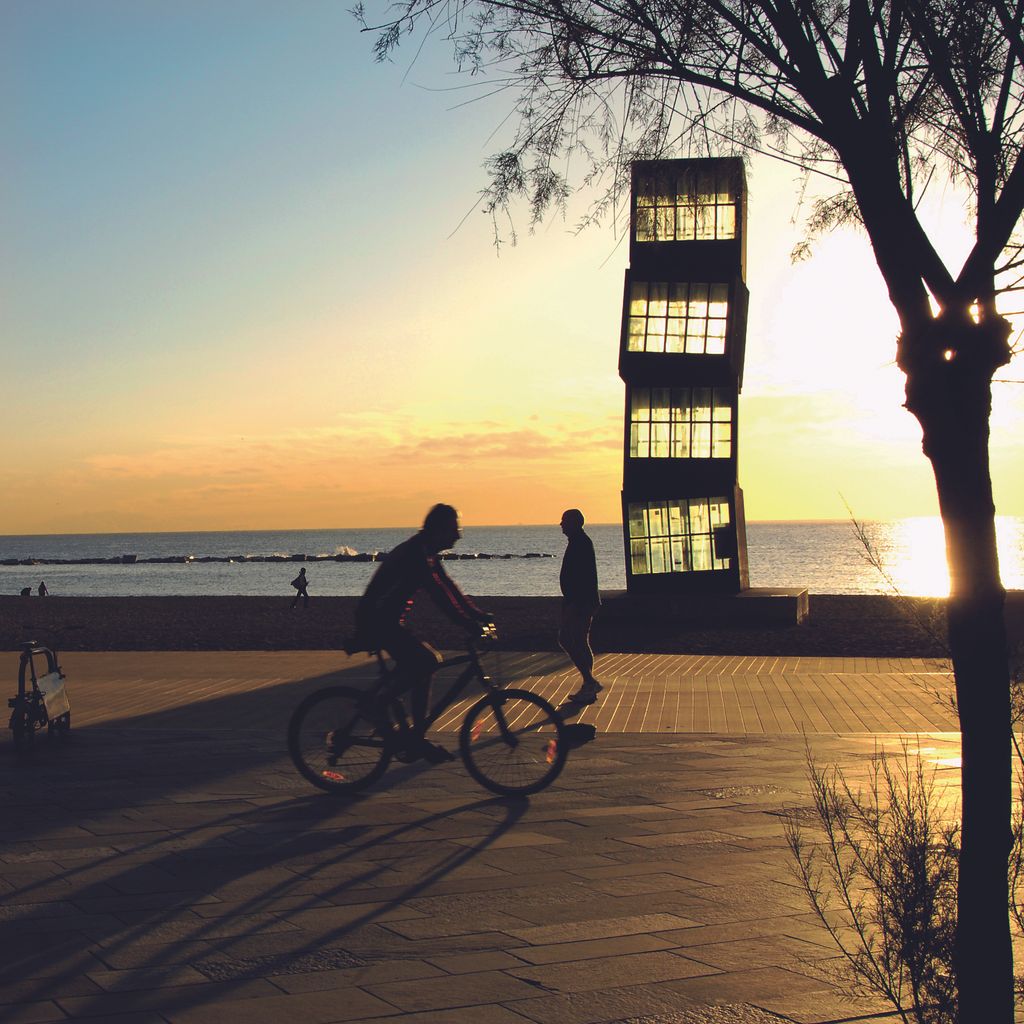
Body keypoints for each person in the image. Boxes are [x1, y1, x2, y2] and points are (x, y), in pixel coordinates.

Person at [348, 503, 492, 763]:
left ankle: (414, 738)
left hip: (386, 619)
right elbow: (440, 597)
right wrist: (466, 623)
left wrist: (477, 614)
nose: (458, 535)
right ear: (439, 529)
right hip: (376, 620)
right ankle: (377, 706)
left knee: (425, 665)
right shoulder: (416, 554)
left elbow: (448, 587)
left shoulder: (426, 551)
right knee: (427, 661)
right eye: (455, 529)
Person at [558, 508, 603, 704]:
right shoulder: (579, 542)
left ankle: (589, 681)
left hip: (580, 602)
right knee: (579, 640)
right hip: (580, 601)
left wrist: (575, 603)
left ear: (574, 523)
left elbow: (583, 577)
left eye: (564, 521)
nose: (561, 524)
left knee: (568, 639)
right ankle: (589, 684)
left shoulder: (581, 543)